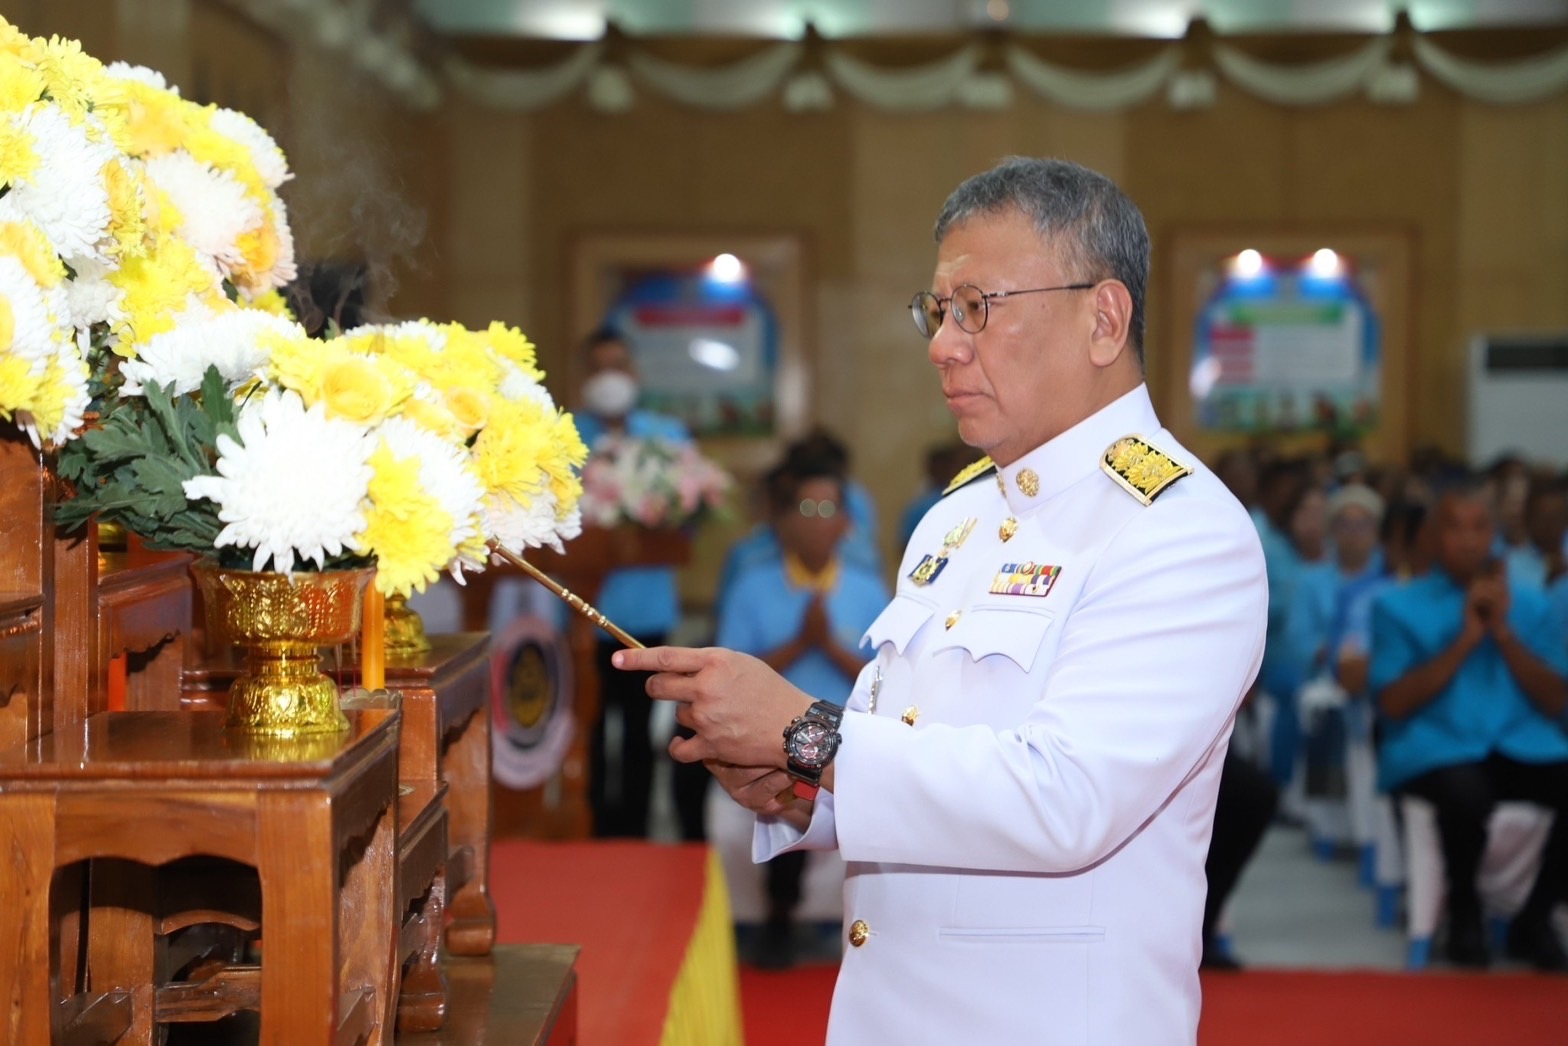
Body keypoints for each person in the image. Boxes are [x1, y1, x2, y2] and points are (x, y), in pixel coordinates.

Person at [614, 157, 1268, 1043]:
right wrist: (799, 786)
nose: (943, 345)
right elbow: (915, 749)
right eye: (939, 310)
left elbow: (1067, 799)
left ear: (1103, 319)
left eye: (977, 308)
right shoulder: (954, 520)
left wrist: (808, 734)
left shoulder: (1179, 529)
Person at [1369, 480, 1568, 971]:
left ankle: (1534, 918)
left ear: (1494, 534)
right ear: (1433, 537)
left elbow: (1556, 700)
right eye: (1455, 528)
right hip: (1436, 748)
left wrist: (1502, 632)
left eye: (1480, 528)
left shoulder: (1531, 604)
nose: (1469, 540)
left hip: (1520, 745)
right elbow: (1392, 703)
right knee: (1465, 793)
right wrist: (1465, 639)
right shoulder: (1396, 606)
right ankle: (1464, 913)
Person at [717, 456, 889, 968]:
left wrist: (827, 645)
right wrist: (799, 643)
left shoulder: (868, 589)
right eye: (806, 509)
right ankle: (761, 920)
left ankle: (806, 920)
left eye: (828, 509)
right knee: (754, 805)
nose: (816, 521)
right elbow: (728, 671)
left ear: (847, 523)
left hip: (843, 733)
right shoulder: (751, 586)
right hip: (762, 732)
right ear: (785, 522)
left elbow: (886, 677)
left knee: (825, 791)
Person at [573, 327, 691, 838]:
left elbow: (687, 522)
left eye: (618, 365)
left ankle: (637, 833)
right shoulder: (565, 439)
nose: (610, 377)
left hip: (646, 610)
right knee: (590, 726)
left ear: (634, 372)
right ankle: (594, 831)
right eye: (599, 367)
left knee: (642, 729)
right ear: (585, 376)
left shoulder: (666, 438)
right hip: (581, 614)